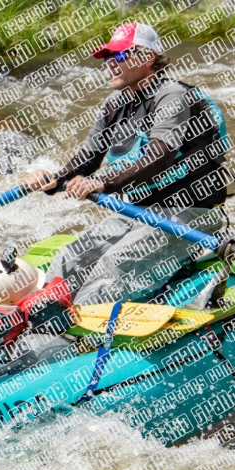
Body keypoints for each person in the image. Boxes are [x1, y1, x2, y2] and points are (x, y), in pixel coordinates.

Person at [27, 22, 230, 306]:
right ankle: (42, 315)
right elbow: (89, 158)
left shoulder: (171, 95)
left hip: (188, 213)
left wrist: (102, 183)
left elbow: (160, 155)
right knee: (68, 258)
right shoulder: (114, 105)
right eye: (108, 57)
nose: (111, 63)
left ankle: (85, 338)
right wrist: (55, 179)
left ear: (147, 58)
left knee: (111, 268)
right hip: (136, 211)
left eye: (120, 56)